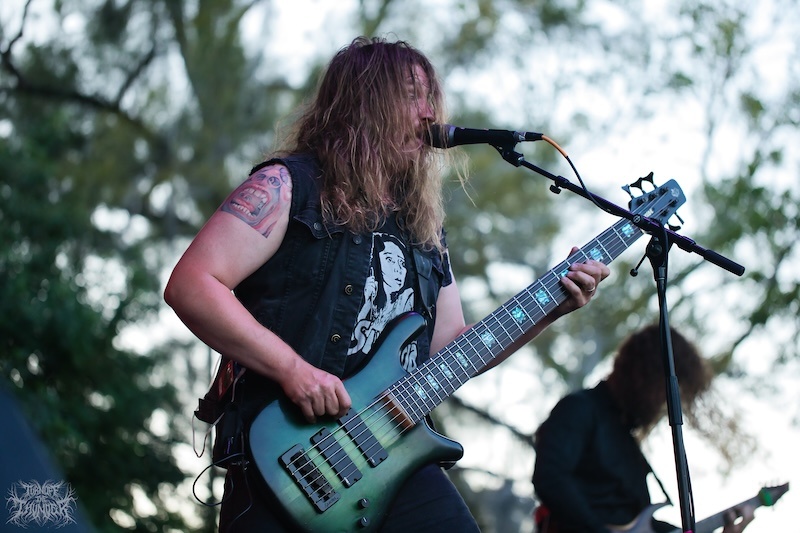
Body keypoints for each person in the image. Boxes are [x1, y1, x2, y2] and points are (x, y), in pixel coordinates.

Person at [164, 36, 609, 532]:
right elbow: (192, 283)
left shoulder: (423, 227)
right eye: (412, 96)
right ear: (365, 102)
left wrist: (552, 306)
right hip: (289, 459)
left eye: (431, 98)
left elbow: (452, 348)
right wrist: (293, 370)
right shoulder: (290, 185)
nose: (428, 113)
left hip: (390, 455)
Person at [532, 324, 755, 533]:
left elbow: (642, 524)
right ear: (644, 375)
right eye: (663, 389)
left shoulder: (627, 441)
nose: (664, 402)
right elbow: (550, 477)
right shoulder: (580, 408)